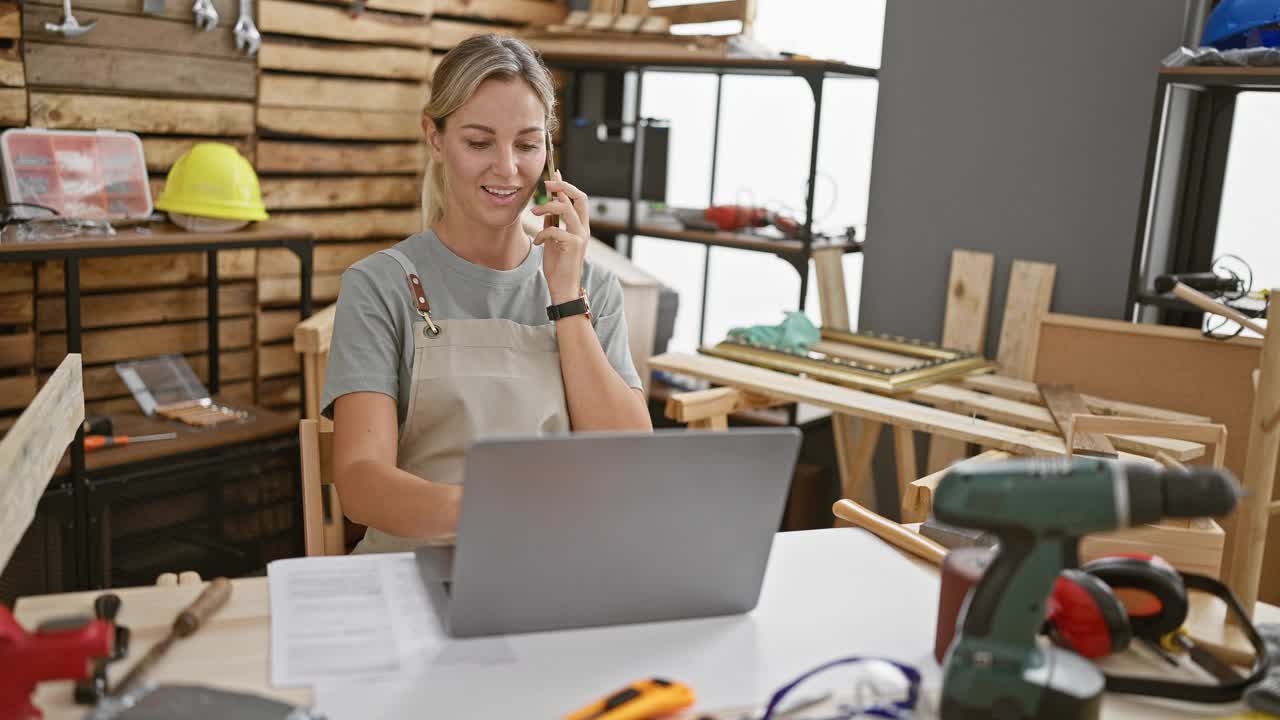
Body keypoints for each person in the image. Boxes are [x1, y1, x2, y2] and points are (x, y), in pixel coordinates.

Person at [321, 34, 653, 554]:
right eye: (479, 143)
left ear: (548, 151)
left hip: (551, 569)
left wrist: (567, 300)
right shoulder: (379, 285)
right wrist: (489, 512)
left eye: (526, 144)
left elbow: (628, 460)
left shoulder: (592, 286)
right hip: (411, 572)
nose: (507, 168)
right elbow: (361, 484)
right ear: (435, 137)